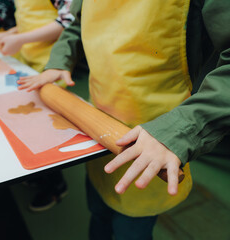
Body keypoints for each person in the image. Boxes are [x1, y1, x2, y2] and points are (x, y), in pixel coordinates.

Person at [18, 0, 230, 238]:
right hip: (99, 122)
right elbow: (77, 24)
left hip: (156, 135)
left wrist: (180, 129)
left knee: (130, 228)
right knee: (98, 211)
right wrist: (60, 59)